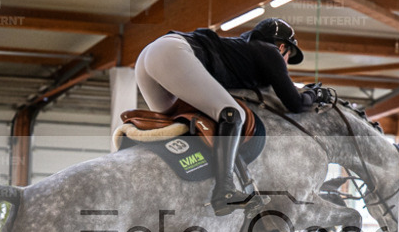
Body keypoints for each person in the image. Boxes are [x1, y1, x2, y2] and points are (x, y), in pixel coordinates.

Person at [135, 17, 334, 215]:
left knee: (176, 128)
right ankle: (225, 191)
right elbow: (295, 104)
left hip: (147, 58)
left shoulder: (241, 52)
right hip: (172, 53)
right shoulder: (270, 51)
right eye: (288, 56)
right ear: (282, 47)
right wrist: (314, 94)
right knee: (232, 114)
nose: (287, 63)